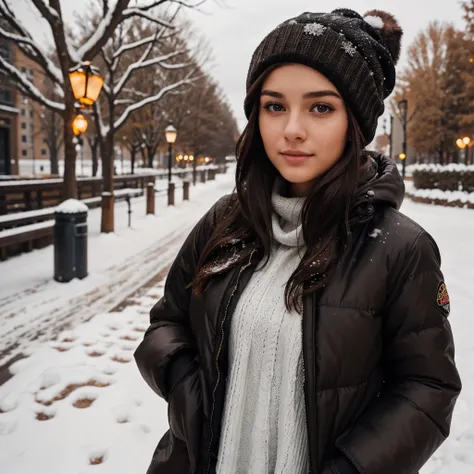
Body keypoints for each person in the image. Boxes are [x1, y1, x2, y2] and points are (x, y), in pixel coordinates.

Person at [134, 8, 461, 474]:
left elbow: (427, 386)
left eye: (320, 107)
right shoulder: (225, 221)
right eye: (275, 106)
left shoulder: (400, 249)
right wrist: (193, 395)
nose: (292, 129)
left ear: (356, 123)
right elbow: (167, 323)